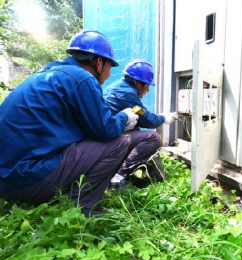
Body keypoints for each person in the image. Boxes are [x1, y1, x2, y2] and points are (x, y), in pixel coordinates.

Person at [0, 30, 154, 216]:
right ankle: (83, 207)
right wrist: (124, 117)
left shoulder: (50, 74)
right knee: (121, 141)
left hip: (7, 181)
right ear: (98, 62)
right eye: (109, 67)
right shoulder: (83, 79)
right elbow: (106, 130)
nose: (107, 75)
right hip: (29, 180)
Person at [103, 59, 176, 187]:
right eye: (147, 85)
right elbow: (147, 119)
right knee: (153, 138)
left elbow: (139, 116)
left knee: (136, 130)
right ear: (139, 83)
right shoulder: (128, 94)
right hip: (107, 139)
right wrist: (164, 118)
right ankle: (119, 174)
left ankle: (120, 168)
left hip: (106, 134)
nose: (147, 90)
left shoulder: (118, 87)